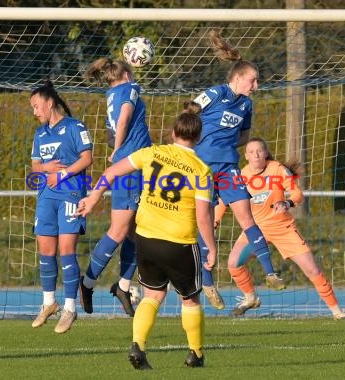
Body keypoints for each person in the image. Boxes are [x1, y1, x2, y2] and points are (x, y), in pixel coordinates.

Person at [77, 102, 216, 370]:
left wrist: (93, 197)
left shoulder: (152, 153)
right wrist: (210, 246)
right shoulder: (201, 170)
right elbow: (202, 217)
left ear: (173, 133)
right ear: (199, 137)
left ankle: (138, 344)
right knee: (190, 299)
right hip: (179, 242)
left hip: (146, 238)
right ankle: (196, 354)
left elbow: (110, 172)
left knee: (153, 296)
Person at [191, 30, 284, 310]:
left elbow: (244, 135)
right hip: (202, 168)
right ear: (238, 77)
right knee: (206, 223)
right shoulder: (215, 93)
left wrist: (227, 144)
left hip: (228, 167)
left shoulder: (246, 104)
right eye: (252, 80)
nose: (255, 85)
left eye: (256, 81)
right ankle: (206, 279)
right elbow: (189, 114)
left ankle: (270, 272)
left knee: (246, 214)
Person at [215, 137, 345, 319]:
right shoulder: (240, 176)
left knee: (312, 270)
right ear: (245, 156)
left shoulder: (277, 169)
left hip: (283, 228)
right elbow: (223, 200)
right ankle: (251, 298)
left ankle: (338, 312)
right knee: (233, 263)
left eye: (259, 151)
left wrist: (287, 202)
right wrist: (214, 222)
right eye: (251, 151)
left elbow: (297, 193)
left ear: (265, 153)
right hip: (255, 230)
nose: (256, 154)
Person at [80, 58, 152, 317]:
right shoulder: (130, 88)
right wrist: (119, 149)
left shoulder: (110, 93)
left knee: (137, 231)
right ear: (127, 73)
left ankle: (122, 286)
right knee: (120, 230)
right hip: (132, 165)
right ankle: (87, 282)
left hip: (137, 164)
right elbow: (122, 122)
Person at [29, 80, 93, 333]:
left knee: (66, 251)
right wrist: (46, 169)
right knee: (45, 252)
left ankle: (70, 309)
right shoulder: (40, 134)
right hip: (46, 197)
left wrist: (63, 173)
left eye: (36, 106)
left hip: (70, 195)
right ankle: (48, 303)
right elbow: (35, 166)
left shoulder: (75, 127)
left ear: (50, 102)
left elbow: (87, 158)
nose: (34, 111)